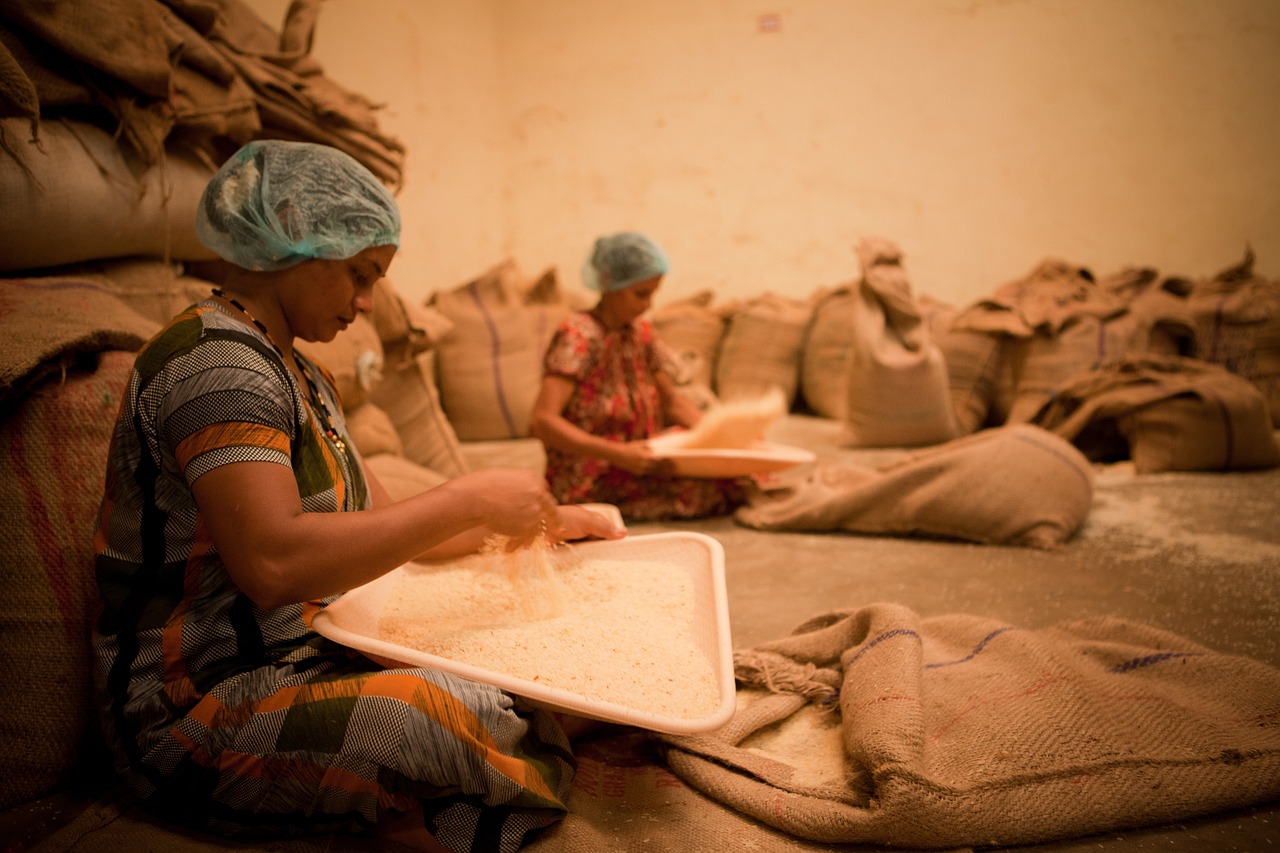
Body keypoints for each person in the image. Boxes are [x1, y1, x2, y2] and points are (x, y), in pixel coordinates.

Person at [91, 139, 624, 853]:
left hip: (305, 653)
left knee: (520, 667)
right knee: (433, 714)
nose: (368, 301)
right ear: (291, 237)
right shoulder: (213, 363)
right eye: (359, 274)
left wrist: (551, 523)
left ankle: (435, 792)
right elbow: (273, 563)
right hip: (199, 705)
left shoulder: (304, 376)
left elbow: (381, 528)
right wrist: (466, 497)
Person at [529, 231, 748, 521]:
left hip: (639, 458)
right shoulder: (579, 335)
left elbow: (671, 402)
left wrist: (724, 437)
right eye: (640, 294)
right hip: (592, 473)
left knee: (738, 475)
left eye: (652, 294)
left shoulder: (639, 333)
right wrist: (617, 453)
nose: (648, 305)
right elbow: (543, 421)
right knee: (711, 492)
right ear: (609, 285)